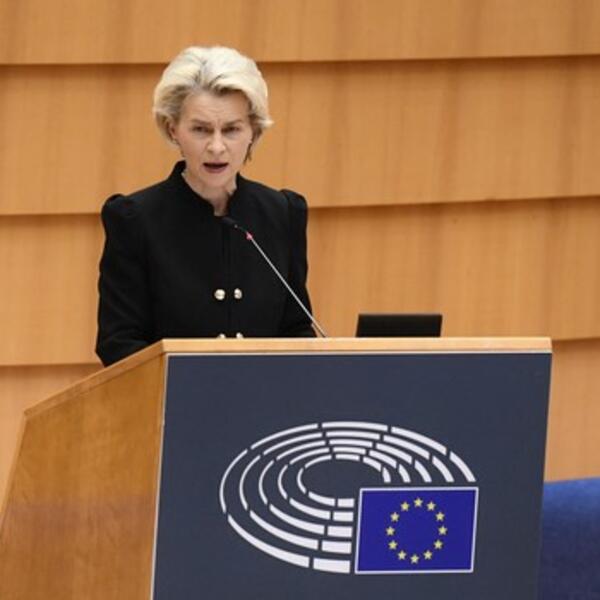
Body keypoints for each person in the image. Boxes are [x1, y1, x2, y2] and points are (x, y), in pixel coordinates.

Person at [95, 46, 316, 367]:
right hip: (172, 396)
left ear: (253, 131)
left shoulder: (282, 213)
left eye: (231, 129)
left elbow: (296, 329)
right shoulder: (135, 220)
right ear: (173, 129)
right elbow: (119, 344)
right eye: (200, 129)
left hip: (266, 396)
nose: (216, 147)